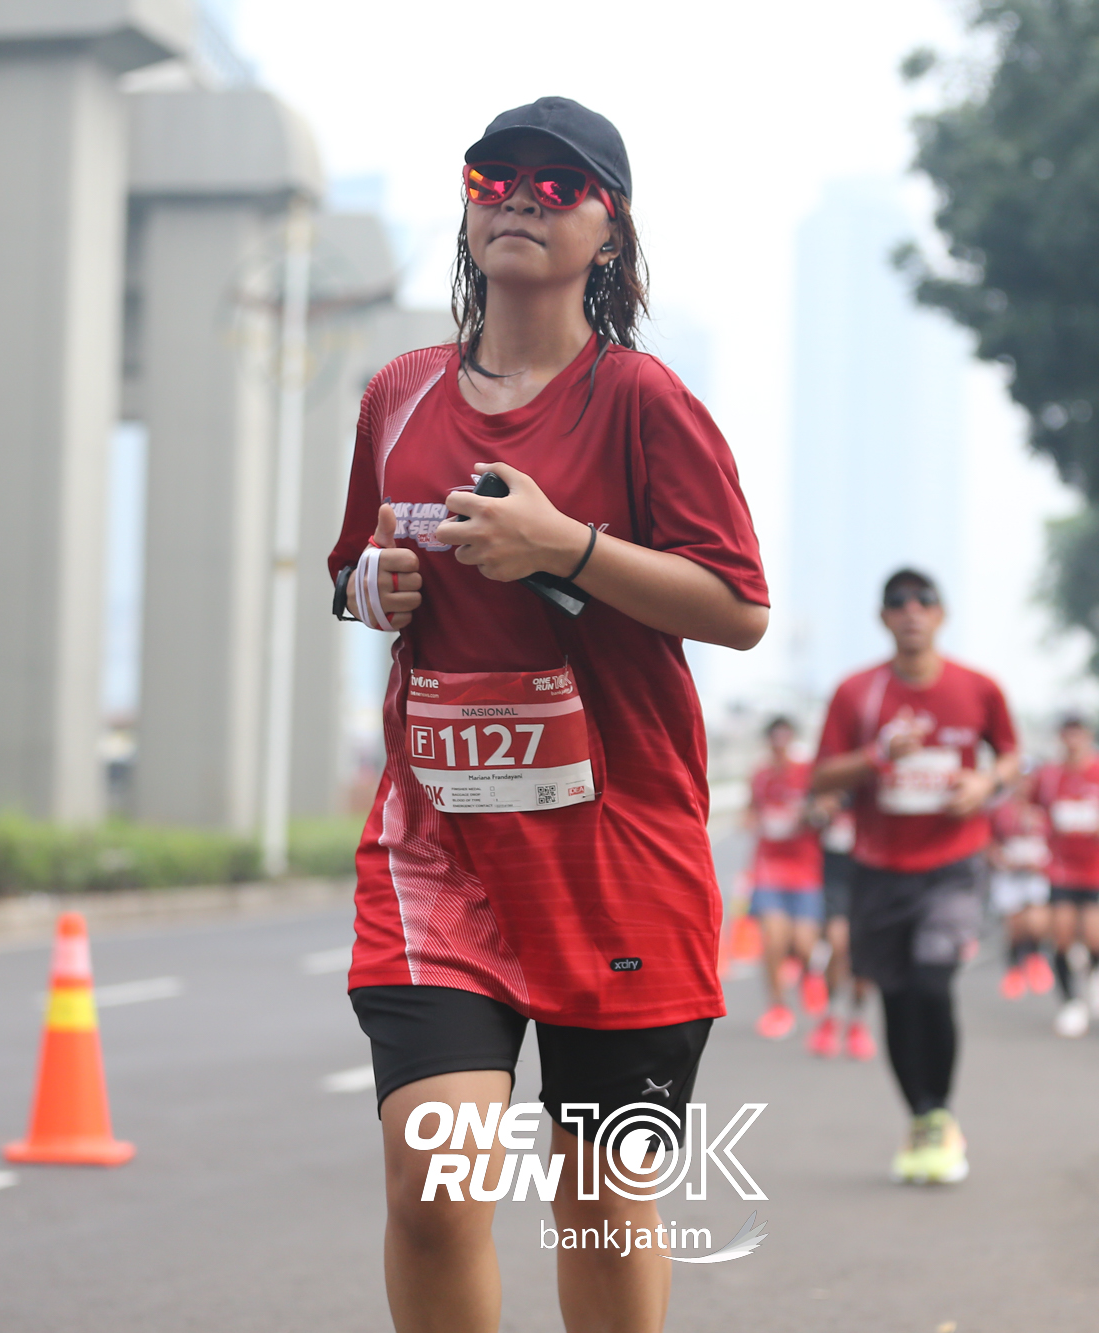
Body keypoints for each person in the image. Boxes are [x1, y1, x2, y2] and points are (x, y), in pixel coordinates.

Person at [328, 97, 768, 1332]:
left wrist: (562, 546)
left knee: (602, 1201)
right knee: (434, 1178)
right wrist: (371, 587)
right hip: (441, 854)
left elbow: (738, 607)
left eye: (557, 184)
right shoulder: (399, 393)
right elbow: (352, 564)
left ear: (608, 233)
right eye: (494, 177)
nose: (520, 196)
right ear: (468, 211)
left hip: (615, 858)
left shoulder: (642, 402)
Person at [812, 569, 1020, 1184]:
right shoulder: (857, 693)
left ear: (940, 614)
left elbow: (1011, 756)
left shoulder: (978, 688)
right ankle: (922, 1117)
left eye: (923, 601)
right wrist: (879, 756)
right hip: (878, 869)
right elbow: (820, 777)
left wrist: (985, 782)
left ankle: (939, 1112)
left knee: (933, 979)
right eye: (898, 603)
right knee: (897, 997)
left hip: (953, 864)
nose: (911, 611)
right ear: (883, 618)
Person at [1029, 713, 1099, 1038]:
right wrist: (1036, 825)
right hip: (1062, 865)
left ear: (1089, 737)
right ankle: (1070, 1004)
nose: (1073, 741)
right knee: (1061, 933)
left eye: (1078, 734)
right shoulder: (1048, 775)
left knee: (1094, 934)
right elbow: (1030, 806)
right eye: (1067, 734)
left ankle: (1098, 972)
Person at [746, 716, 825, 1039]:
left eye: (784, 738)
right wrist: (752, 821)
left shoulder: (808, 772)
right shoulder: (760, 775)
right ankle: (777, 1006)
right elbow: (751, 810)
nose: (779, 744)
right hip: (769, 869)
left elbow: (825, 808)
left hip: (806, 869)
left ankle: (809, 972)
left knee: (805, 944)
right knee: (774, 939)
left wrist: (809, 815)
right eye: (774, 738)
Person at [805, 793, 877, 1060]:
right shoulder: (828, 783)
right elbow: (805, 817)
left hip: (871, 875)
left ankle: (858, 1021)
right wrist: (820, 810)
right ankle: (832, 1015)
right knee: (839, 942)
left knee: (863, 951)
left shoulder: (873, 783)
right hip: (834, 876)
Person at [987, 779, 1054, 1000]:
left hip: (1036, 875)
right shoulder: (1000, 809)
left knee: (1036, 921)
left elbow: (1057, 842)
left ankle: (1035, 958)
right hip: (1009, 874)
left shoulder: (1044, 809)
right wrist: (1000, 860)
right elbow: (988, 841)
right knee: (1015, 926)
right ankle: (1014, 967)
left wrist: (1045, 864)